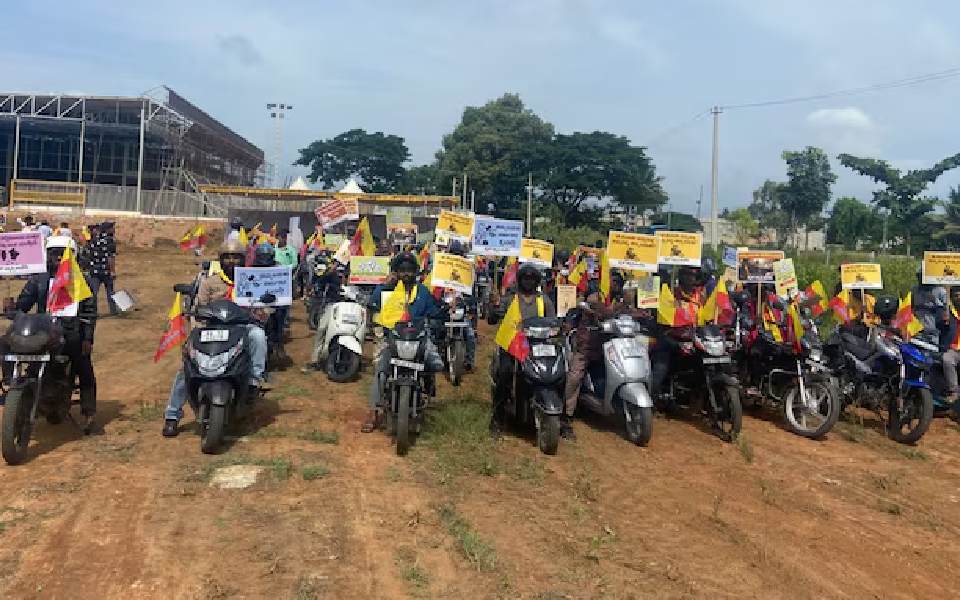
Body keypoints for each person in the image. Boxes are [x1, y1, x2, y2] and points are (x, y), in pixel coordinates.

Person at [162, 240, 270, 437]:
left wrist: (263, 310)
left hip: (241, 328)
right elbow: (197, 308)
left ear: (243, 259)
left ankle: (254, 380)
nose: (231, 261)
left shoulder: (252, 280)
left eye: (236, 257)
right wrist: (195, 335)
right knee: (186, 369)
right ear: (220, 260)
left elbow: (263, 310)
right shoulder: (209, 282)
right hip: (211, 330)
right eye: (227, 257)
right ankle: (172, 415)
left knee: (259, 335)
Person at [13, 236, 98, 433]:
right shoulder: (39, 279)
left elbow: (89, 312)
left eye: (63, 253)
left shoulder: (82, 281)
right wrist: (13, 308)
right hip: (42, 333)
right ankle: (17, 390)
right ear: (47, 255)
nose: (58, 257)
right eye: (54, 253)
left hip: (71, 334)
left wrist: (87, 338)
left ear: (73, 255)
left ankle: (89, 412)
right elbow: (23, 305)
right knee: (15, 353)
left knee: (84, 367)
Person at [362, 252, 445, 433]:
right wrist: (385, 286)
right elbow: (373, 303)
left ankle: (428, 389)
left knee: (432, 362)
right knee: (380, 369)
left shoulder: (422, 291)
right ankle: (373, 411)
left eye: (409, 270)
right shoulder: (388, 289)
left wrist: (444, 309)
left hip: (417, 339)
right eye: (402, 270)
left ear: (415, 272)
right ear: (396, 271)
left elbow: (434, 312)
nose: (406, 274)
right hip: (391, 338)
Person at [563, 270, 646, 440]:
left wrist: (642, 313)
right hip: (587, 345)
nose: (614, 285)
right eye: (612, 281)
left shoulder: (620, 300)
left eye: (617, 282)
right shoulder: (595, 295)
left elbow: (628, 314)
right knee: (575, 376)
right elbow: (596, 310)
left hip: (610, 346)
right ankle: (566, 416)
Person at [489, 264, 557, 439]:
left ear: (537, 281)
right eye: (525, 278)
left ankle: (560, 418)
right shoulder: (510, 298)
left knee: (557, 373)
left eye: (532, 279)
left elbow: (553, 321)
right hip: (513, 345)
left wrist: (558, 327)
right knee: (505, 374)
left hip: (537, 347)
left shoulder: (544, 300)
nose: (528, 282)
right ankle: (497, 420)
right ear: (519, 280)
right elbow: (492, 319)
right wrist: (494, 306)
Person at [650, 266, 707, 405]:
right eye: (687, 274)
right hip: (670, 336)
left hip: (693, 338)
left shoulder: (700, 296)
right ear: (681, 276)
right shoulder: (671, 293)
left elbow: (707, 315)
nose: (690, 278)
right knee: (660, 369)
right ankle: (650, 401)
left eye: (693, 275)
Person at [89, 221, 119, 316]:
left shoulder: (94, 239)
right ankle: (113, 311)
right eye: (112, 227)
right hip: (106, 270)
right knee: (110, 291)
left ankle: (92, 312)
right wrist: (113, 271)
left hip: (94, 270)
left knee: (93, 292)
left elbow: (90, 254)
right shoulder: (110, 240)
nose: (114, 229)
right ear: (108, 229)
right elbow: (111, 257)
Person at [941, 287, 960, 404]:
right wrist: (944, 321)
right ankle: (954, 391)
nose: (958, 298)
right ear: (951, 298)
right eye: (956, 296)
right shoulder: (947, 312)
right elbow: (938, 328)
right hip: (953, 350)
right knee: (947, 359)